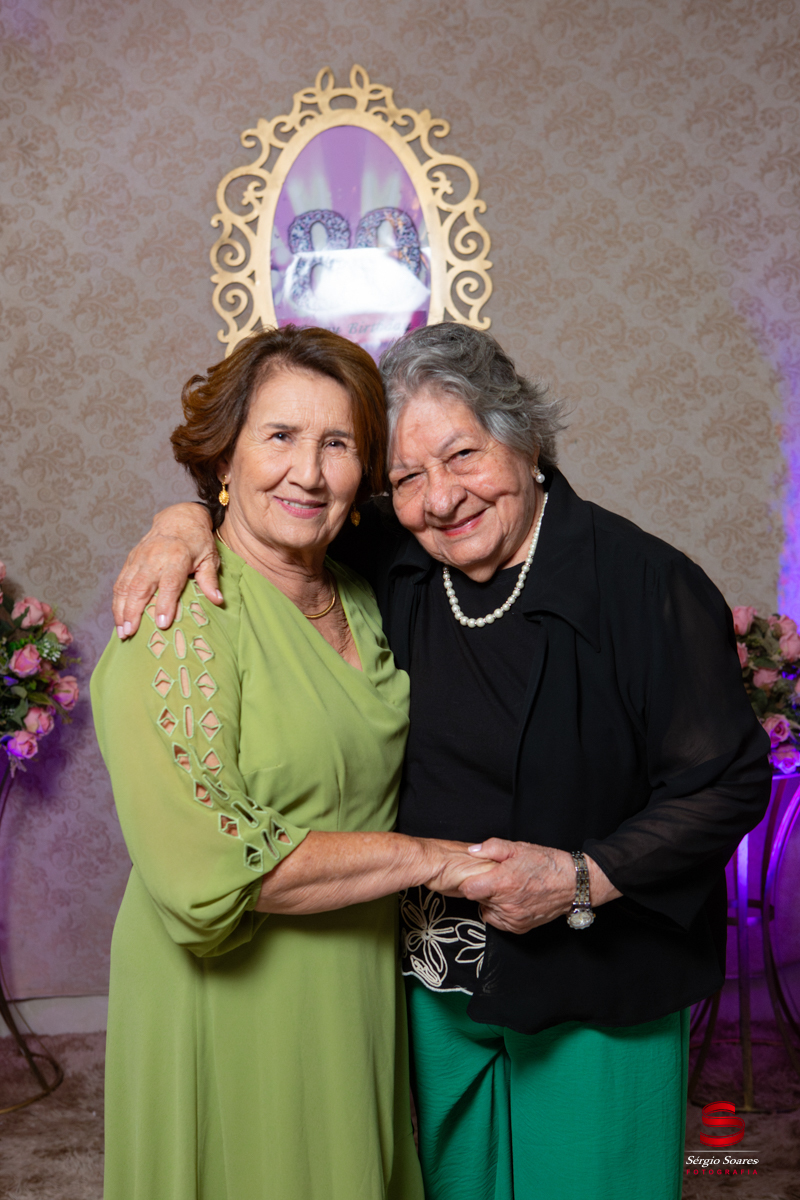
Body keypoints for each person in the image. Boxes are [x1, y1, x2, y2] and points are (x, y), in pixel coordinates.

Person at [112, 323, 771, 1200]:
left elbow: (726, 780)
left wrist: (582, 878)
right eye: (408, 477)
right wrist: (180, 522)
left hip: (597, 985)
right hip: (434, 991)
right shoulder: (390, 557)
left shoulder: (645, 583)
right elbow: (274, 510)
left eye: (463, 455)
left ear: (524, 438)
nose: (442, 498)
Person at [92, 325, 498, 1200]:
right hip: (226, 997)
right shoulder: (178, 614)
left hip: (352, 980)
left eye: (338, 444)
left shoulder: (365, 590)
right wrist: (433, 861)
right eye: (279, 436)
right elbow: (209, 871)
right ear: (223, 458)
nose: (308, 474)